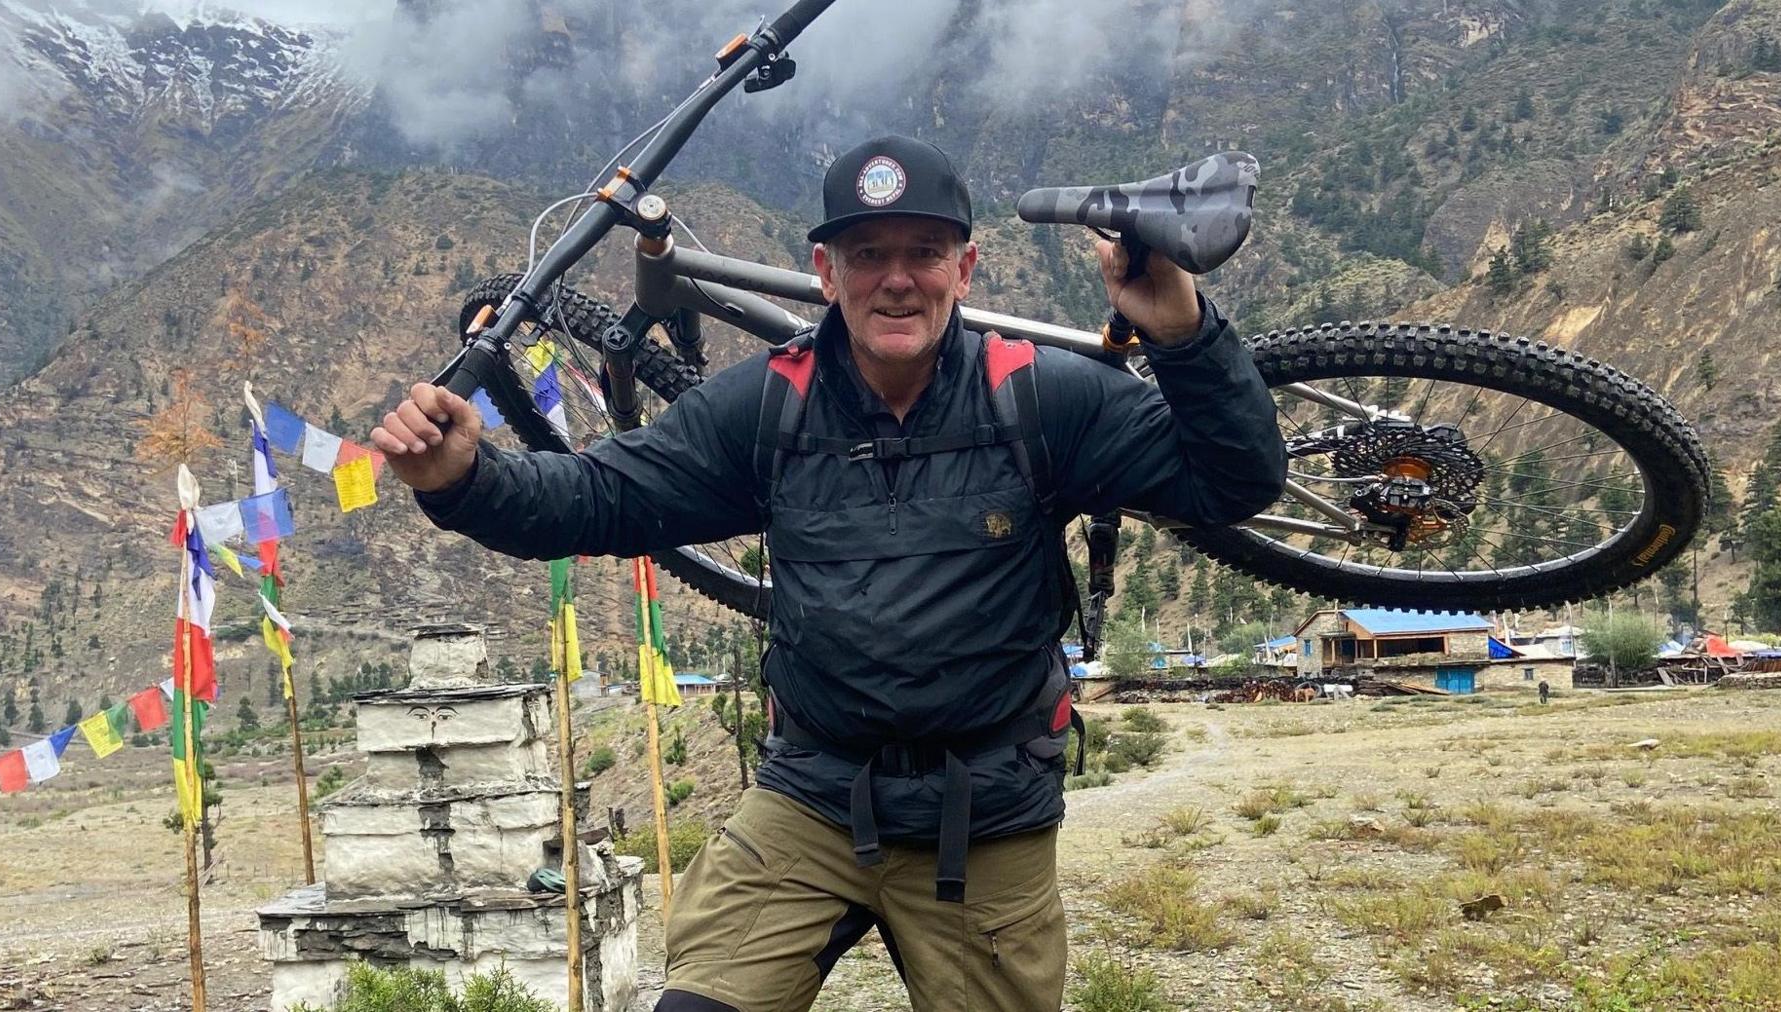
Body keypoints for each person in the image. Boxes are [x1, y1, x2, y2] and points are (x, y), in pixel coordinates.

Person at [372, 135, 1286, 1012]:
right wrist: (467, 478)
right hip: (811, 799)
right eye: (866, 252)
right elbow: (602, 498)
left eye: (924, 251)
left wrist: (1183, 332)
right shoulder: (770, 405)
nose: (897, 277)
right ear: (825, 271)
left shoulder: (1043, 396)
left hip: (988, 812)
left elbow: (1233, 480)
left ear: (965, 270)